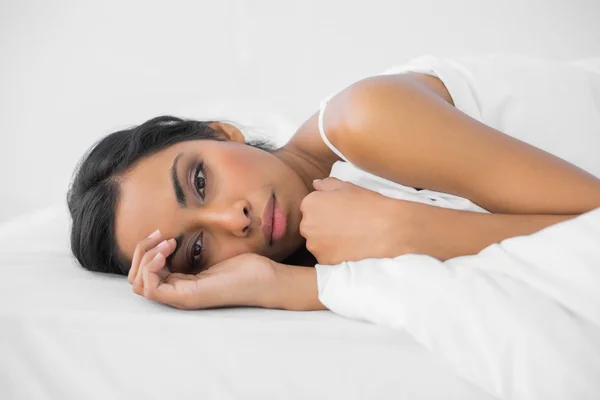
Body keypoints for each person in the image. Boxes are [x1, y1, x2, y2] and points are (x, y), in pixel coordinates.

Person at [67, 53, 600, 312]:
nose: (235, 219)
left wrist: (407, 230)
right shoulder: (335, 249)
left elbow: (591, 219)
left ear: (222, 132)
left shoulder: (362, 120)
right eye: (199, 250)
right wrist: (275, 286)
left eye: (201, 181)